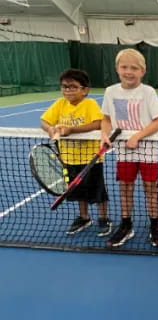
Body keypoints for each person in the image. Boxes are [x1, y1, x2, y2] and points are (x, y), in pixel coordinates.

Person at [101, 48, 158, 247]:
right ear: (117, 69)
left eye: (134, 68)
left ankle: (155, 226)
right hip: (123, 151)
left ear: (142, 71)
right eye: (124, 67)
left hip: (147, 150)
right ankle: (126, 224)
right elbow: (106, 118)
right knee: (125, 189)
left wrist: (137, 136)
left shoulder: (148, 92)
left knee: (150, 190)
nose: (129, 71)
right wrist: (104, 133)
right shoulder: (111, 91)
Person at [40, 69, 112, 237]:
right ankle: (84, 217)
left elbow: (97, 123)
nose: (67, 90)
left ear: (84, 89)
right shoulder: (59, 104)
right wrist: (50, 128)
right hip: (69, 158)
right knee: (77, 190)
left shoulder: (90, 104)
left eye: (72, 87)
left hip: (91, 159)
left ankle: (103, 218)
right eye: (64, 87)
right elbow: (44, 121)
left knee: (97, 190)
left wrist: (72, 129)